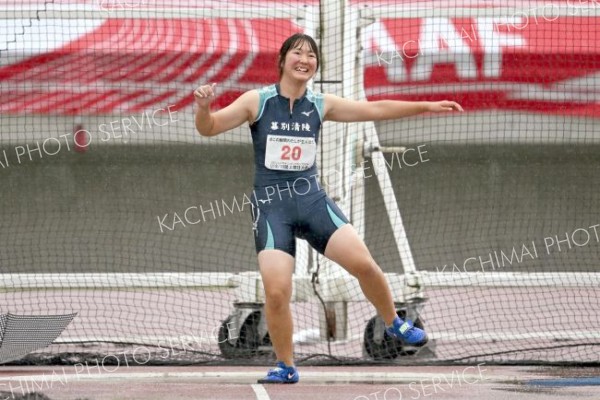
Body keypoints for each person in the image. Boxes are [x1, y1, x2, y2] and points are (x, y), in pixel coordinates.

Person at [194, 33, 463, 384]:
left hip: (314, 203)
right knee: (276, 292)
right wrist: (203, 108)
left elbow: (375, 109)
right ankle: (286, 366)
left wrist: (425, 106)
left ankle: (394, 322)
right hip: (272, 208)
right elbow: (210, 128)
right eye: (297, 53)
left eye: (311, 55)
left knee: (365, 264)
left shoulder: (320, 104)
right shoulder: (255, 102)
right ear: (283, 61)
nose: (304, 59)